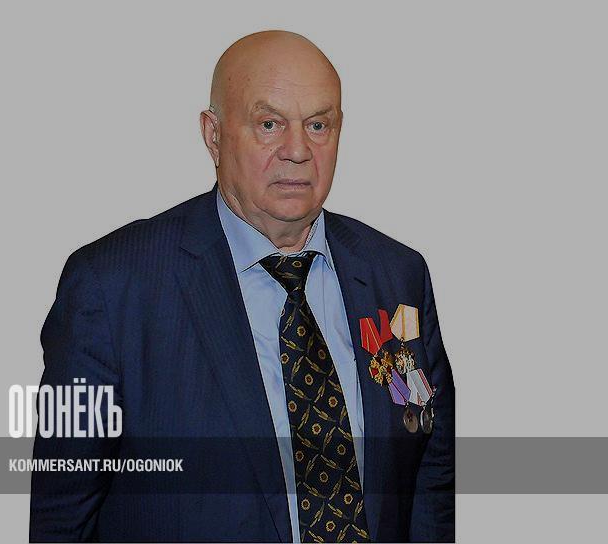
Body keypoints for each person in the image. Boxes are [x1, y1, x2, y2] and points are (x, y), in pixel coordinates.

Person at [30, 30, 455, 543]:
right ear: (213, 134)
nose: (297, 151)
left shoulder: (398, 275)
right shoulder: (111, 288)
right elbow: (62, 517)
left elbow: (430, 481)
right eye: (269, 124)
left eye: (318, 125)